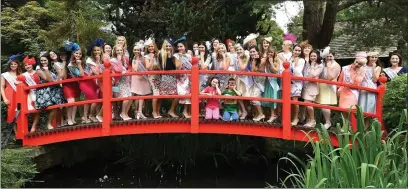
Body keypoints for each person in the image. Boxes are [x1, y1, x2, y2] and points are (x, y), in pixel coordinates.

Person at [301, 50, 324, 128]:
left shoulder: (320, 65)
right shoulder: (307, 63)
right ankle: (309, 120)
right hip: (305, 85)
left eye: (314, 56)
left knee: (308, 104)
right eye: (311, 56)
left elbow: (313, 75)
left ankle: (313, 120)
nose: (313, 57)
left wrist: (312, 66)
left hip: (312, 86)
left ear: (318, 56)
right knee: (306, 103)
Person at [1, 54, 22, 131]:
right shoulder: (4, 75)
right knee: (12, 111)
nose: (13, 65)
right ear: (9, 65)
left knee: (20, 111)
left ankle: (20, 131)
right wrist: (4, 98)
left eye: (15, 64)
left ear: (17, 65)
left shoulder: (20, 74)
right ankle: (16, 133)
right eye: (12, 64)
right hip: (10, 94)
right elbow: (2, 87)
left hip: (19, 95)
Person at [131, 42, 151, 119]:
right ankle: (137, 112)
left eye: (138, 50)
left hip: (143, 77)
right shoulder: (133, 59)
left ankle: (140, 112)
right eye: (135, 50)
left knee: (142, 95)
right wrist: (136, 58)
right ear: (133, 51)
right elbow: (135, 69)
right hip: (136, 78)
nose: (136, 51)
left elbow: (147, 66)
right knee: (137, 95)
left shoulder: (144, 57)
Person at [22, 56, 40, 132]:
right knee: (32, 110)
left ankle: (33, 126)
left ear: (32, 64)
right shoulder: (23, 75)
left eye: (29, 64)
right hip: (30, 94)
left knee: (37, 110)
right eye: (26, 65)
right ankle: (34, 126)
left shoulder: (38, 72)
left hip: (39, 93)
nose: (28, 66)